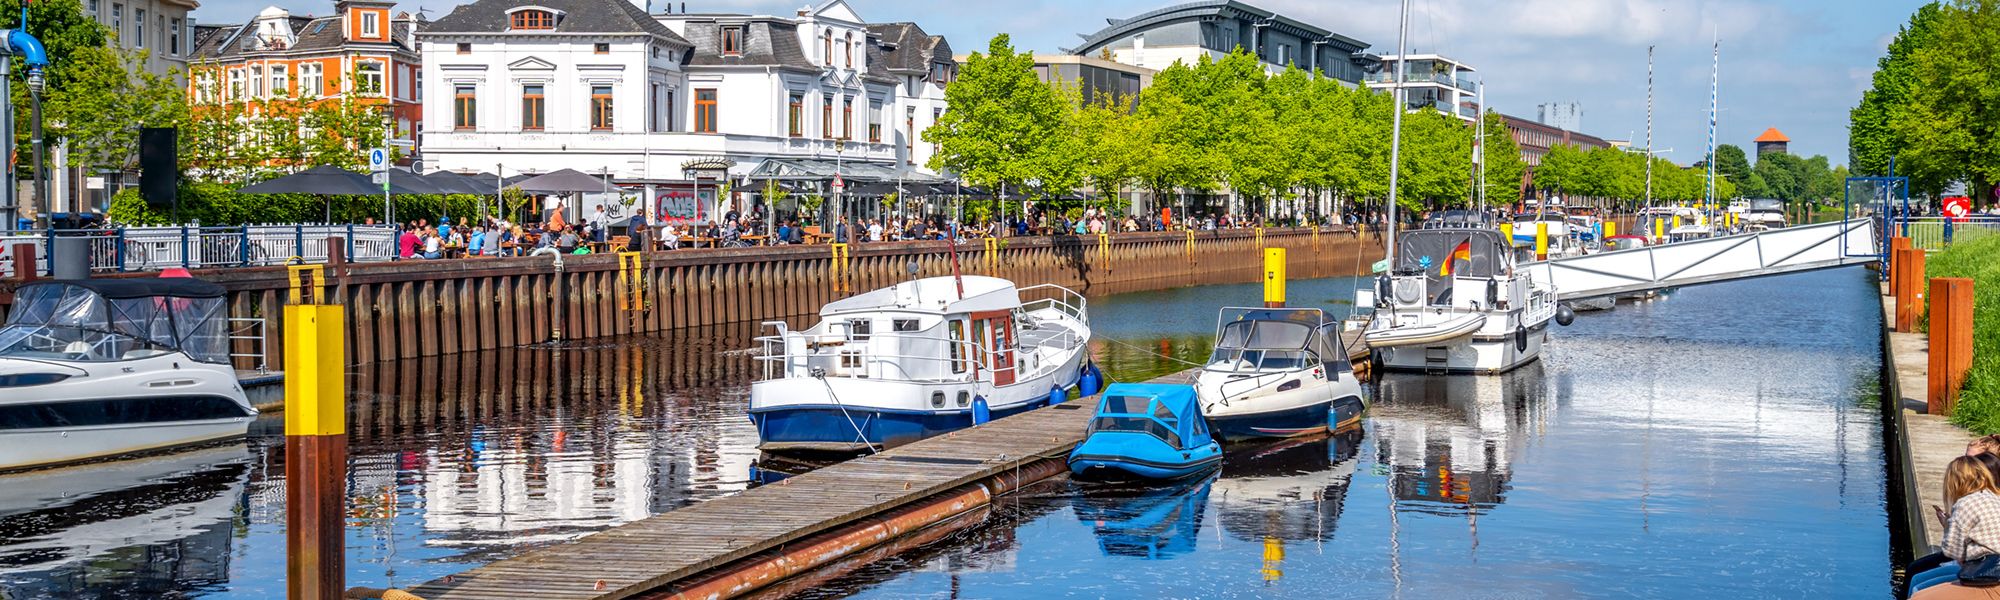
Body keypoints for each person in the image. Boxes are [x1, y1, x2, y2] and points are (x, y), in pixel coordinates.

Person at [1912, 456, 2000, 594]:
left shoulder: (1964, 504)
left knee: (1917, 588)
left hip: (1986, 574)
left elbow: (1953, 552)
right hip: (1989, 569)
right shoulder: (1994, 497)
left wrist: (1949, 526)